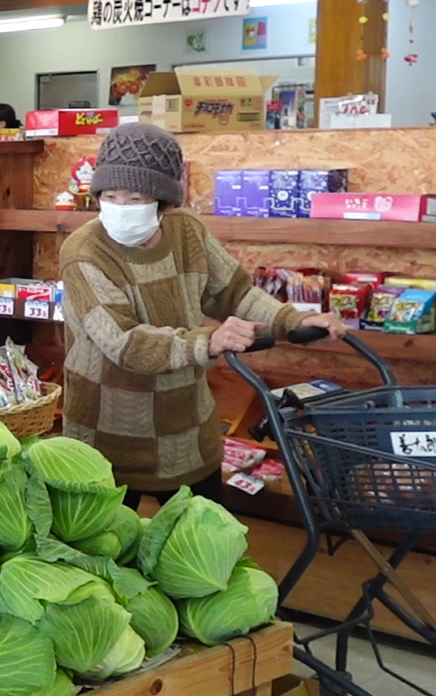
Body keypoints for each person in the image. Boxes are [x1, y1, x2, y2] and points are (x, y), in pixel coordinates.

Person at [58, 123, 345, 502]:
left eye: (134, 198)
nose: (120, 209)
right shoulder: (84, 252)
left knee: (200, 543)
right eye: (110, 196)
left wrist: (293, 321)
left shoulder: (187, 231)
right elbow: (125, 344)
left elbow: (234, 292)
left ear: (163, 201)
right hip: (108, 428)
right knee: (109, 549)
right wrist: (209, 340)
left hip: (186, 427)